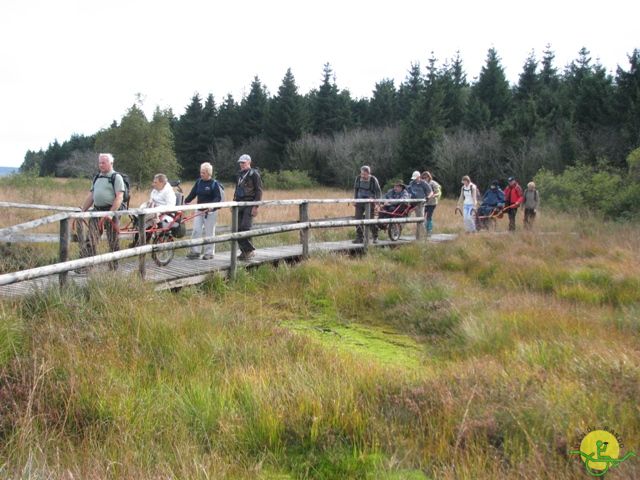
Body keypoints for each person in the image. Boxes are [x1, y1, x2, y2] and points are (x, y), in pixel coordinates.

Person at [78, 153, 125, 270]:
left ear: (111, 163)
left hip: (111, 212)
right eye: (99, 162)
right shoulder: (97, 177)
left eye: (103, 162)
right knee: (91, 238)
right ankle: (87, 266)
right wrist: (83, 211)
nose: (101, 165)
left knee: (112, 239)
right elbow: (91, 196)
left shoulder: (116, 177)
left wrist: (111, 213)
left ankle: (113, 266)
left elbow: (119, 197)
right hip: (97, 211)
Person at [184, 162, 223, 260]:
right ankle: (195, 251)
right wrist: (185, 202)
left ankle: (209, 253)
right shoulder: (199, 182)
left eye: (204, 173)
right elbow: (193, 194)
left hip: (210, 212)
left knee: (209, 232)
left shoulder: (214, 184)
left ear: (209, 173)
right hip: (199, 210)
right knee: (196, 231)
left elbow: (217, 198)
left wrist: (211, 206)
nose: (201, 174)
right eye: (201, 172)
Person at [233, 154, 263, 260]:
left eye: (243, 162)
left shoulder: (254, 174)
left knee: (246, 227)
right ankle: (244, 251)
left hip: (249, 203)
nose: (241, 164)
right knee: (237, 228)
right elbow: (237, 189)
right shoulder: (239, 174)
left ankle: (249, 251)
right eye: (240, 162)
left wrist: (256, 206)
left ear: (249, 162)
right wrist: (233, 203)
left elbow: (259, 191)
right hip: (239, 204)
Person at [353, 165, 382, 243]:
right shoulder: (358, 178)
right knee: (357, 219)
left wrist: (377, 203)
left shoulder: (373, 180)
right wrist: (355, 200)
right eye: (361, 173)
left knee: (371, 220)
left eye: (364, 174)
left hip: (370, 203)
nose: (362, 176)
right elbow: (356, 190)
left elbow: (378, 191)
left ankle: (375, 237)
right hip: (360, 202)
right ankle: (360, 237)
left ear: (368, 173)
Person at [422, 171, 441, 235]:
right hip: (424, 203)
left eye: (426, 177)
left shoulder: (433, 183)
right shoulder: (422, 184)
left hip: (432, 203)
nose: (425, 179)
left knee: (429, 217)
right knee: (422, 216)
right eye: (423, 177)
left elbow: (438, 192)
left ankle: (429, 230)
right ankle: (423, 230)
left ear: (429, 177)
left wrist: (434, 195)